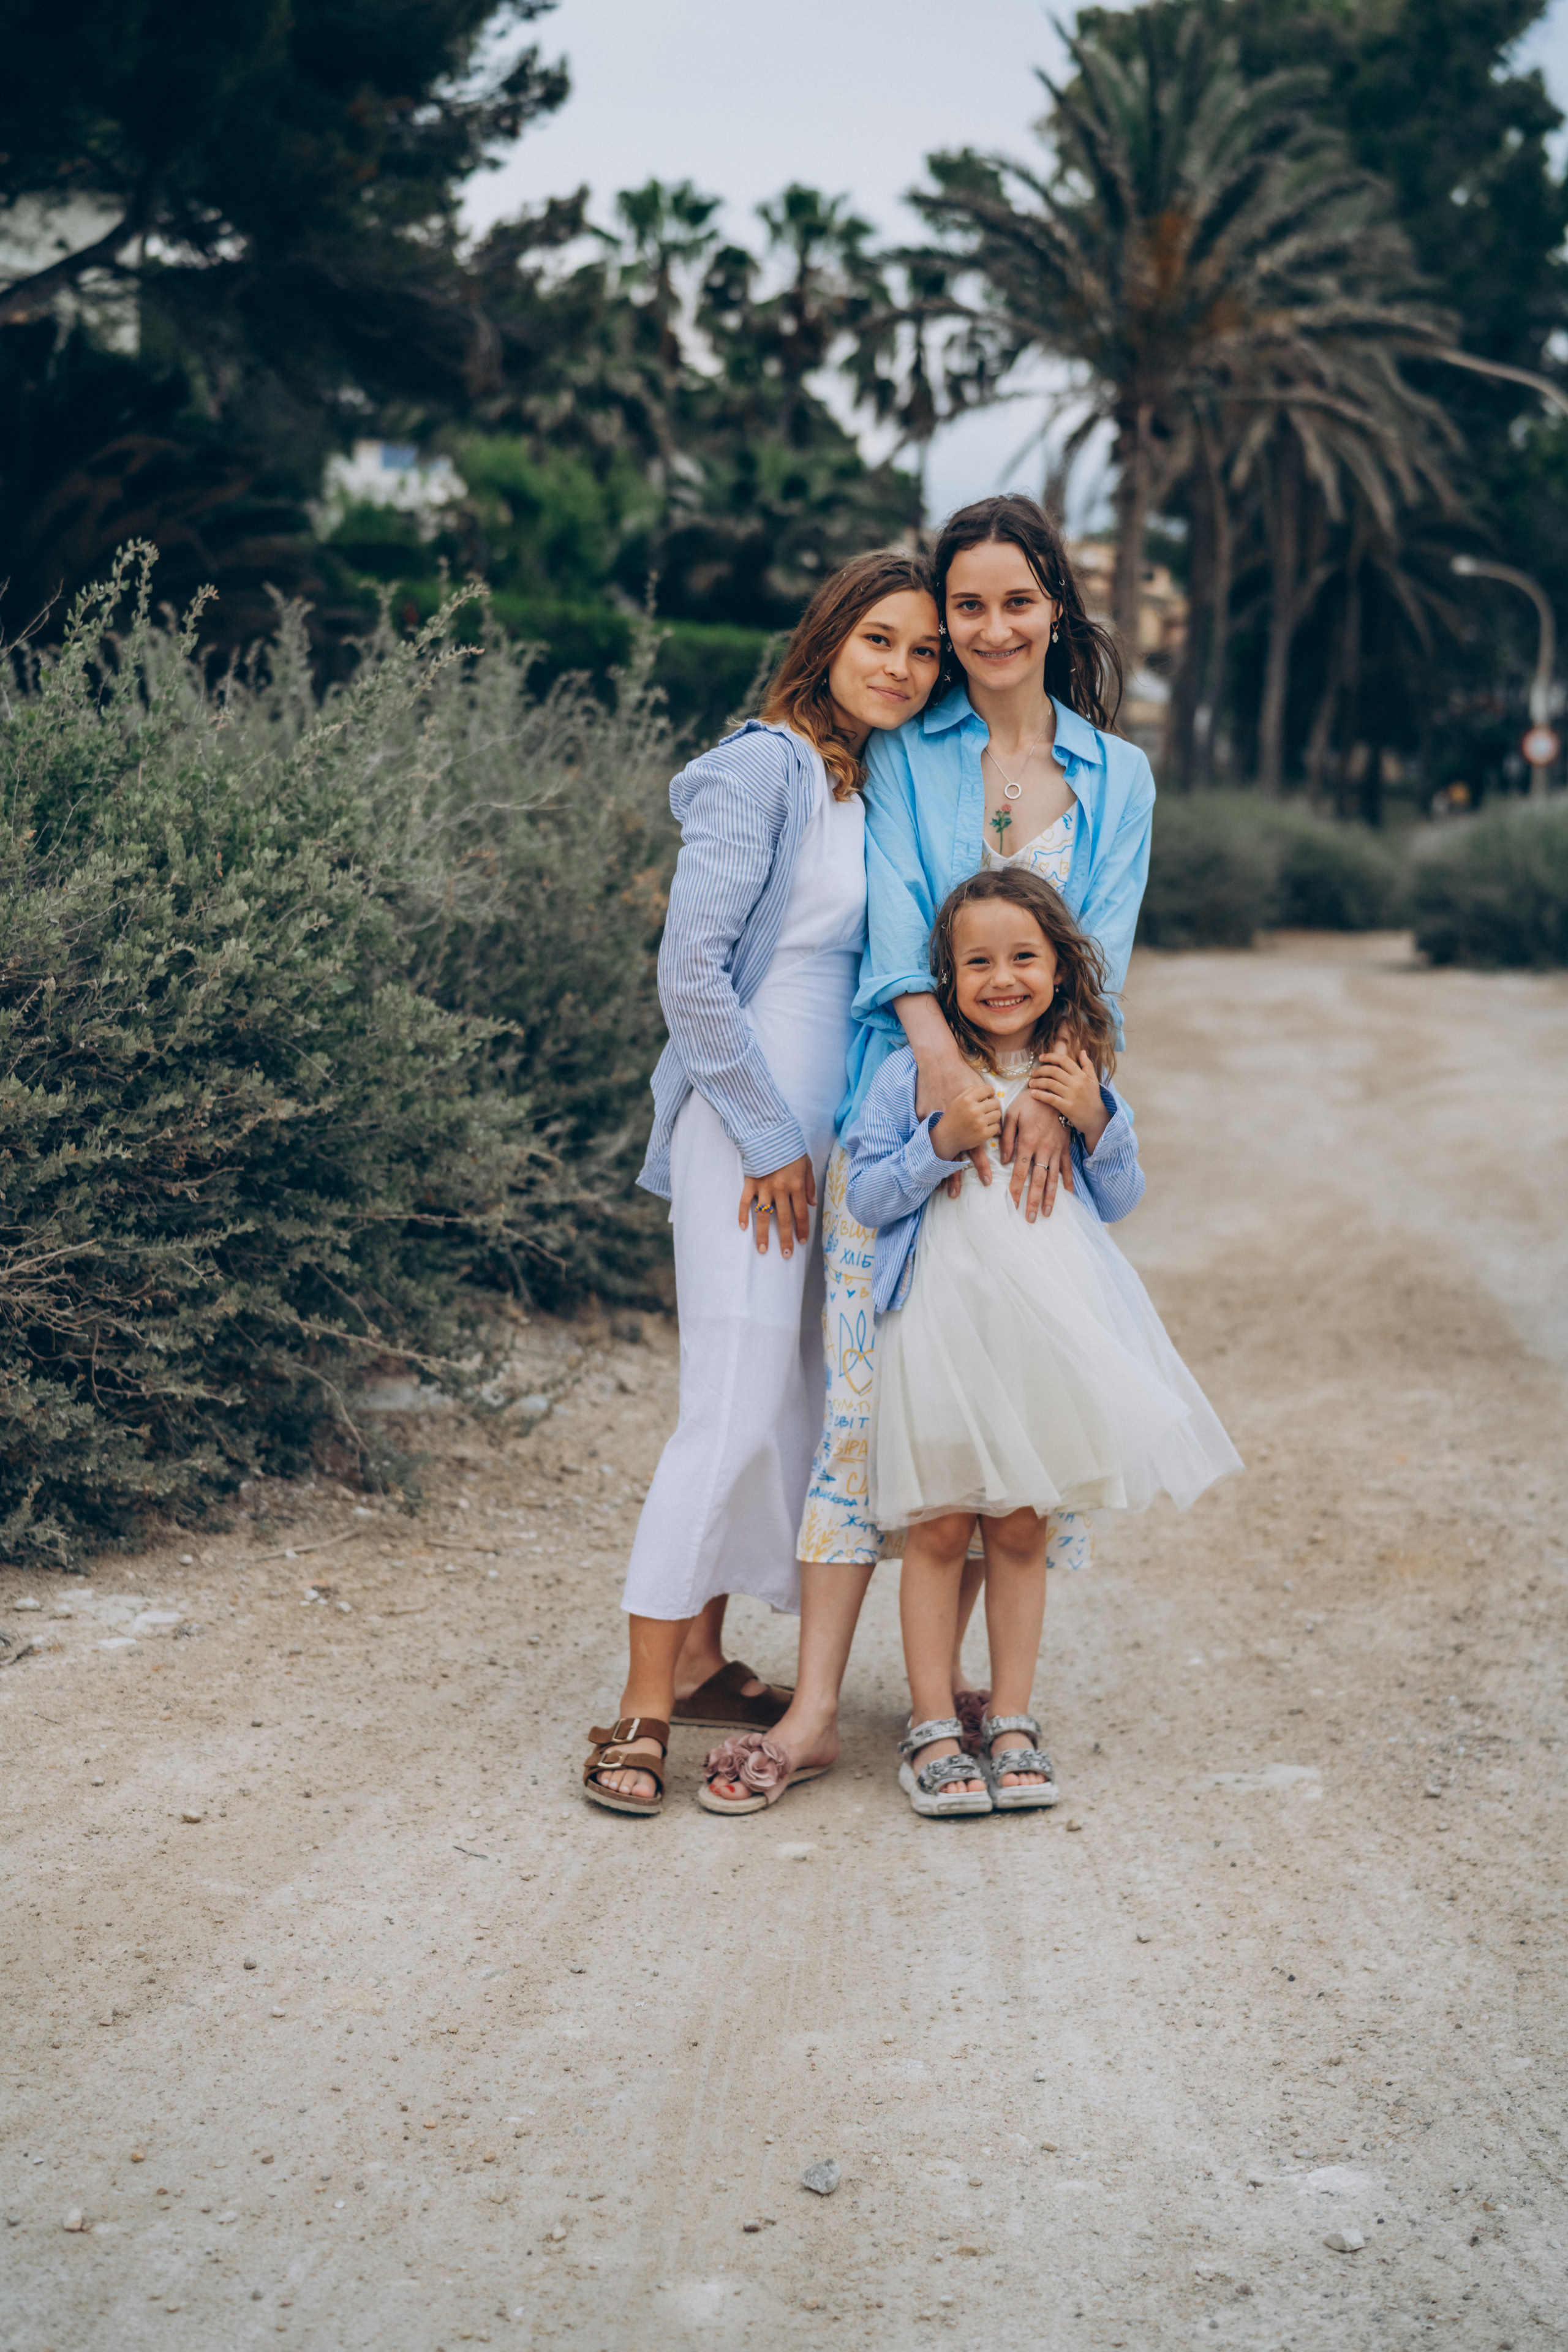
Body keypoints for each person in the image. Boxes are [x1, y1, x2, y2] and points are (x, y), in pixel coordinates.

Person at [699, 495, 1156, 1812]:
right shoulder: (910, 750)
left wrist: (1057, 1097)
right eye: (967, 606)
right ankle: (813, 1712)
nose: (992, 627)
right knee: (862, 1426)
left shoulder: (1118, 777)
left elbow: (1102, 953)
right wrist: (949, 1078)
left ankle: (965, 1698)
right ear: (946, 621)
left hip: (1037, 1128)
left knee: (992, 1427)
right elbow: (897, 926)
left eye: (1016, 601)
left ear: (1055, 606)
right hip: (902, 1112)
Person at [582, 551, 943, 1815]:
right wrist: (766, 1136)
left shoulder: (871, 779)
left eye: (923, 651)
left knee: (788, 1400)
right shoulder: (761, 767)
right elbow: (690, 973)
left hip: (831, 1141)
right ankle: (638, 1709)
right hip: (749, 1136)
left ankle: (696, 1658)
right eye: (879, 639)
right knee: (727, 1406)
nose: (902, 667)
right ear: (827, 638)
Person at [845, 867, 1241, 1817]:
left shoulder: (1077, 1073)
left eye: (1023, 957)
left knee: (1022, 1526)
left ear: (1061, 969)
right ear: (946, 978)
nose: (1001, 978)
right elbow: (866, 1195)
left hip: (1041, 1335)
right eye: (976, 962)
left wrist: (1094, 1115)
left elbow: (1121, 1196)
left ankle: (1012, 1718)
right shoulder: (914, 1076)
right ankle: (933, 1727)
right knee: (942, 1525)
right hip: (940, 1330)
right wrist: (936, 1142)